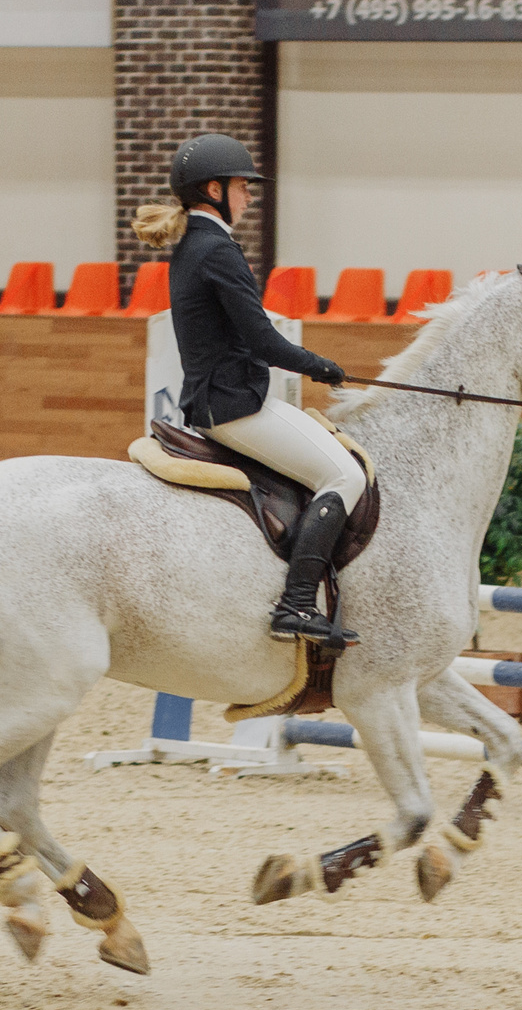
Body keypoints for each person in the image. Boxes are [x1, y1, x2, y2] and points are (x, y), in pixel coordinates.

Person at [133, 133, 363, 651]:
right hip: (233, 406)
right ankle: (296, 604)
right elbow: (261, 339)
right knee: (342, 474)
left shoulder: (197, 244)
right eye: (242, 187)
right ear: (213, 189)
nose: (249, 197)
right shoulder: (216, 249)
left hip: (228, 397)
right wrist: (320, 366)